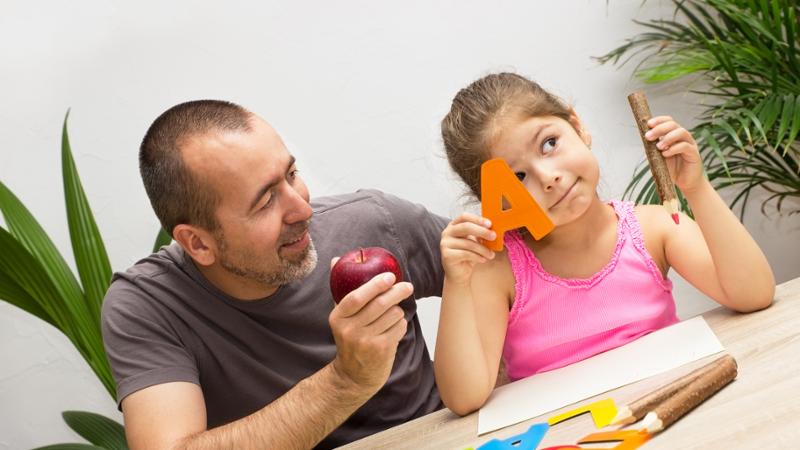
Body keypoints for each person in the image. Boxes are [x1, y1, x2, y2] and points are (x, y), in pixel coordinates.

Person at [101, 100, 448, 449]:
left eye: (292, 175)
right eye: (266, 201)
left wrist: (488, 383)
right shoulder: (148, 306)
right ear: (198, 243)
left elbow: (499, 271)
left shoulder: (373, 221)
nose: (303, 209)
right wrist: (347, 380)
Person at [433, 72, 775, 415]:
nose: (548, 177)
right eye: (518, 177)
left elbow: (754, 293)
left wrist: (696, 188)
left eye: (549, 143)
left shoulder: (653, 228)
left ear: (578, 127)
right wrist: (457, 282)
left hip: (673, 412)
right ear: (497, 201)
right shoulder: (500, 270)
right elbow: (464, 399)